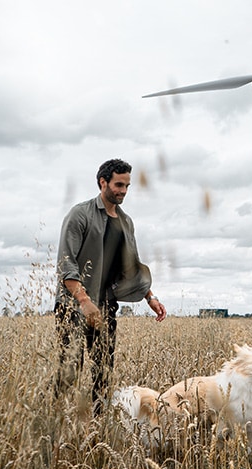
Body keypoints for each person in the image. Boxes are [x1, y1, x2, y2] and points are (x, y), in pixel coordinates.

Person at [54, 158, 166, 414]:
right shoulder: (79, 214)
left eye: (127, 186)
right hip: (73, 305)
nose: (123, 191)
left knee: (103, 370)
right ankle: (58, 422)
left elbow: (131, 265)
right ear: (102, 182)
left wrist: (150, 297)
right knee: (69, 371)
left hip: (106, 306)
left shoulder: (126, 223)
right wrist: (84, 301)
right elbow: (66, 263)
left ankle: (97, 425)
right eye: (118, 184)